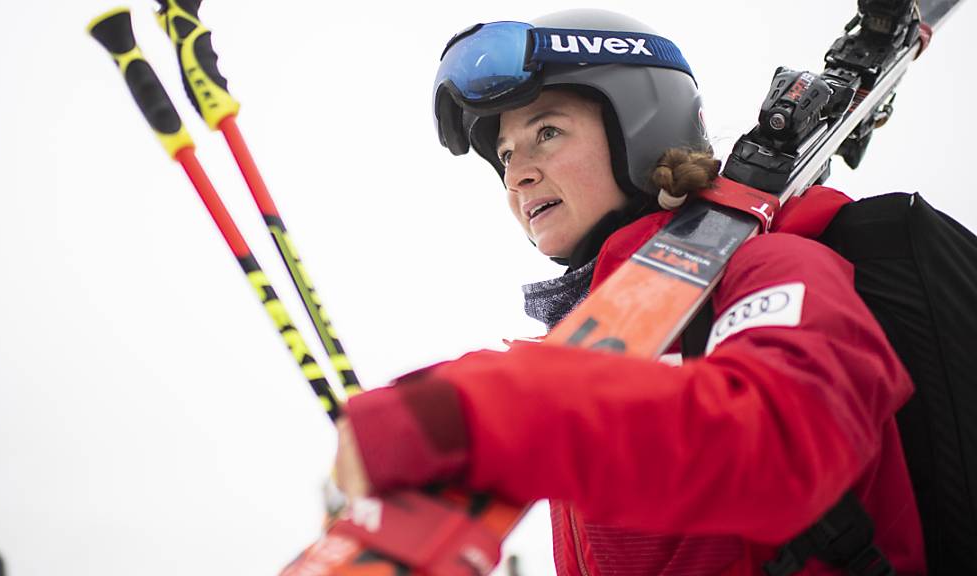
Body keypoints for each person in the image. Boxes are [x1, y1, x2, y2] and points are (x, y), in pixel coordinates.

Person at [333, 9, 925, 575]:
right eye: (506, 155)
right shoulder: (582, 359)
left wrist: (480, 412)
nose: (516, 174)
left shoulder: (776, 267)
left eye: (547, 132)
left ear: (641, 128)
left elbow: (789, 444)